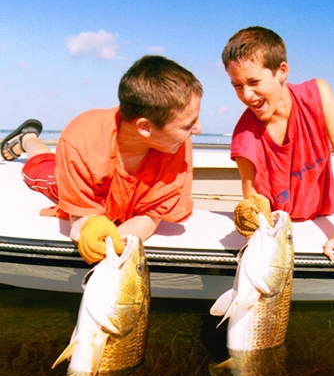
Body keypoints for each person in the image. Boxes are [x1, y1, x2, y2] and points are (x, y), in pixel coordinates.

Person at [1, 55, 203, 264]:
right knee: (42, 168)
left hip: (117, 193)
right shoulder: (80, 141)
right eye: (188, 126)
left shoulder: (174, 143)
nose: (198, 129)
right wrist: (89, 230)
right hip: (72, 170)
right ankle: (28, 139)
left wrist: (111, 246)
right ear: (145, 127)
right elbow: (81, 218)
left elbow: (151, 216)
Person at [222, 26, 334, 273]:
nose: (247, 95)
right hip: (283, 231)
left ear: (282, 71)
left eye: (254, 82)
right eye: (237, 85)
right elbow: (252, 196)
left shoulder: (317, 94)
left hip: (321, 218)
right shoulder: (244, 137)